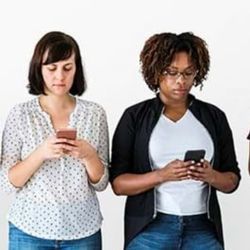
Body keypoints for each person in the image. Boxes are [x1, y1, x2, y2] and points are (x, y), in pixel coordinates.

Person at [109, 32, 240, 250]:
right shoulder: (135, 116)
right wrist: (162, 175)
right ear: (155, 71)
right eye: (171, 72)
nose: (181, 81)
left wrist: (211, 176)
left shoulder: (214, 117)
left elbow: (232, 180)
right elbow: (118, 184)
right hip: (150, 230)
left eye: (188, 73)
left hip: (203, 230)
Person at [0, 31, 109, 250]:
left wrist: (88, 155)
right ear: (38, 69)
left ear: (76, 69)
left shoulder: (94, 114)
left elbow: (102, 182)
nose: (60, 76)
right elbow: (7, 182)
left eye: (67, 68)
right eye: (52, 68)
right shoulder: (21, 115)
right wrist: (41, 153)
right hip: (28, 230)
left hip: (83, 230)